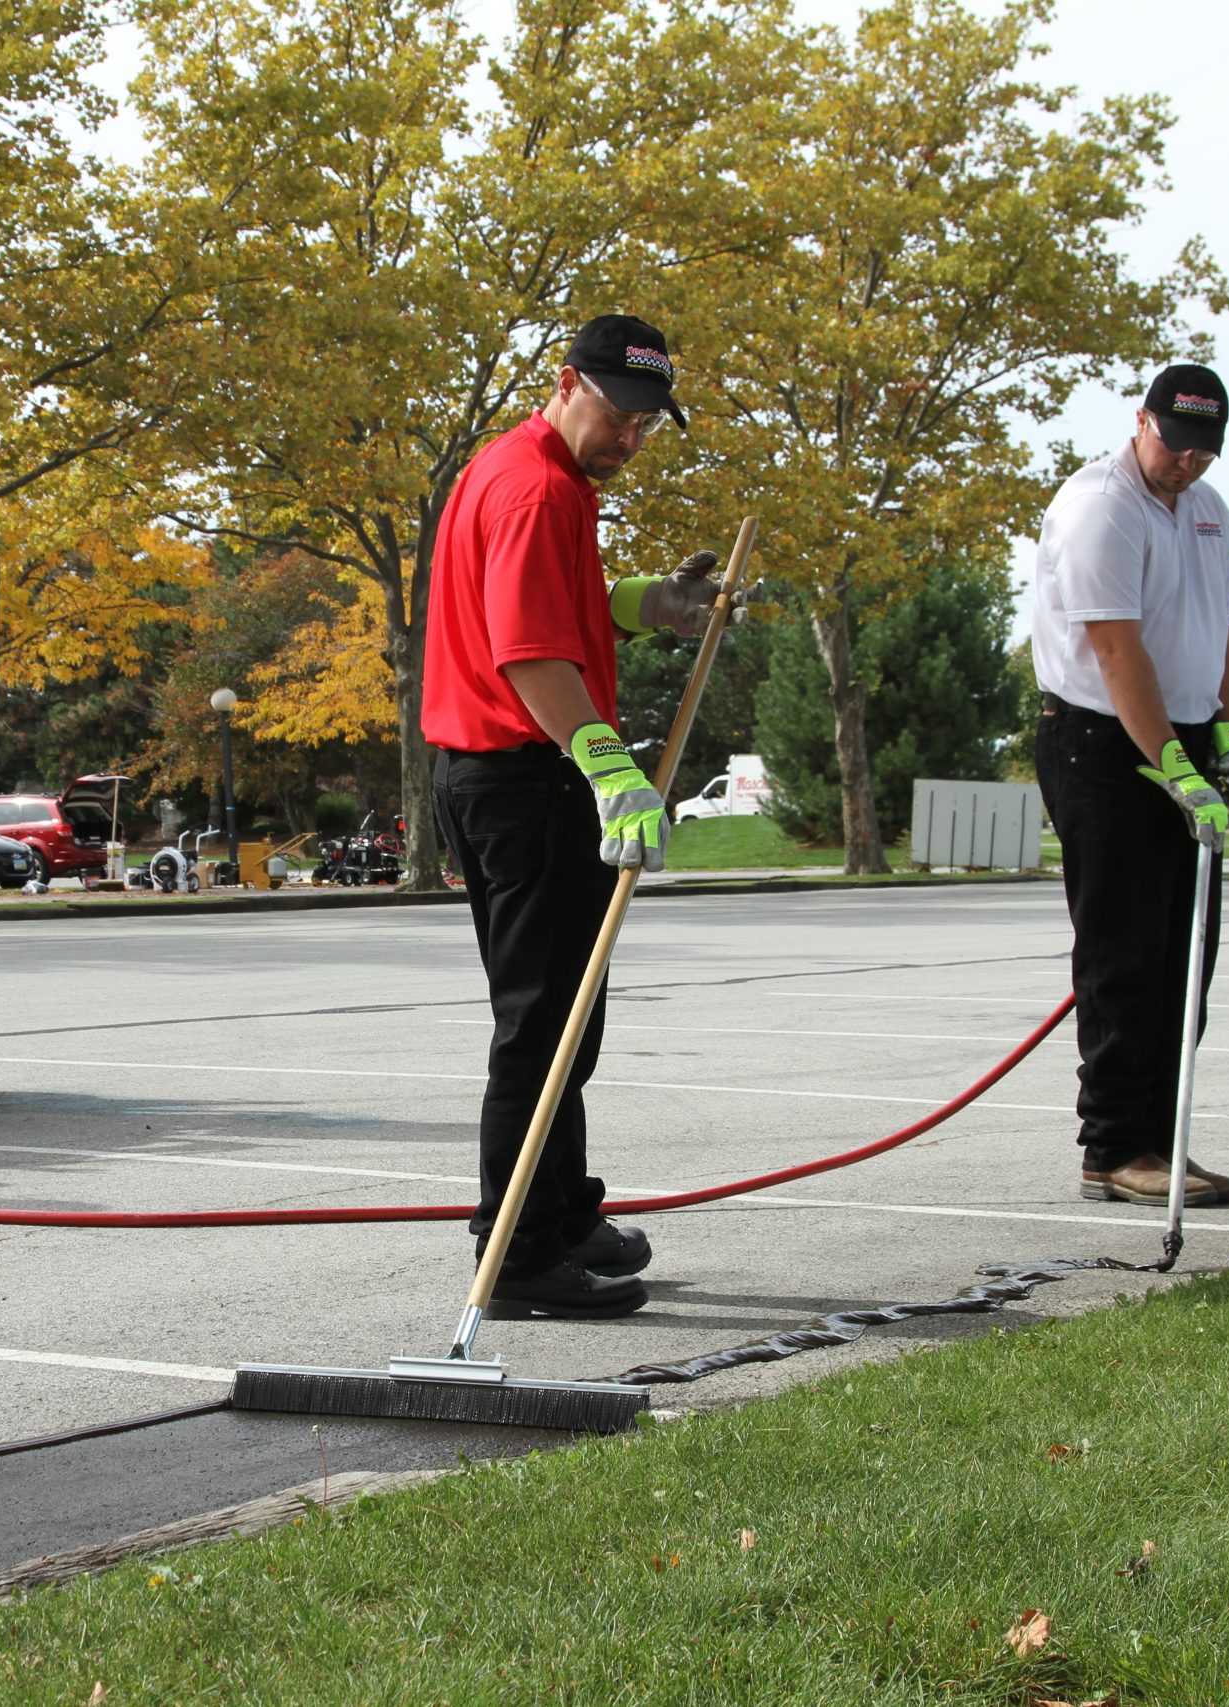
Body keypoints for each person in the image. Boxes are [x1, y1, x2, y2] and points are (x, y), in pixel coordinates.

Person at [421, 313, 723, 1319]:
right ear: (566, 381)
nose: (629, 439)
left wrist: (648, 605)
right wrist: (607, 766)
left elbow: (554, 598)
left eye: (647, 424)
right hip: (524, 777)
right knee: (543, 1027)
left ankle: (561, 1209)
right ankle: (515, 1256)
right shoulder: (538, 489)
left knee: (565, 1021)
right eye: (619, 415)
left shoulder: (515, 467)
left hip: (497, 776)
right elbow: (528, 651)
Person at [1029, 362, 1229, 1208]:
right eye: (1175, 445)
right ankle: (1114, 1146)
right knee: (1124, 955)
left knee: (1185, 957)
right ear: (1142, 421)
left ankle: (1160, 1137)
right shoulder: (1101, 505)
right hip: (1103, 741)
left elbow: (1221, 630)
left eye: (1205, 452)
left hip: (1186, 735)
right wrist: (1170, 766)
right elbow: (1115, 648)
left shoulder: (1209, 511)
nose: (1187, 464)